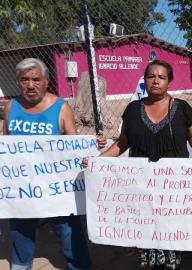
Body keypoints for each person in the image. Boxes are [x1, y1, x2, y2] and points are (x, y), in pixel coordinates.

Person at [98, 59, 192, 270]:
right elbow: (122, 144)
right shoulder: (133, 109)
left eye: (161, 77)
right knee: (146, 234)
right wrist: (98, 162)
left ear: (170, 81)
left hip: (172, 188)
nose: (156, 81)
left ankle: (171, 265)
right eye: (151, 76)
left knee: (170, 236)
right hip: (142, 188)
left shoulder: (182, 108)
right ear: (144, 80)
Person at [3, 58, 106, 270]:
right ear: (18, 82)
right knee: (19, 233)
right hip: (22, 190)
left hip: (56, 190)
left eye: (36, 80)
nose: (30, 85)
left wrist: (92, 145)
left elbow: (74, 149)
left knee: (69, 232)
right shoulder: (11, 107)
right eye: (24, 80)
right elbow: (7, 148)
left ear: (46, 81)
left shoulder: (61, 108)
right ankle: (20, 266)